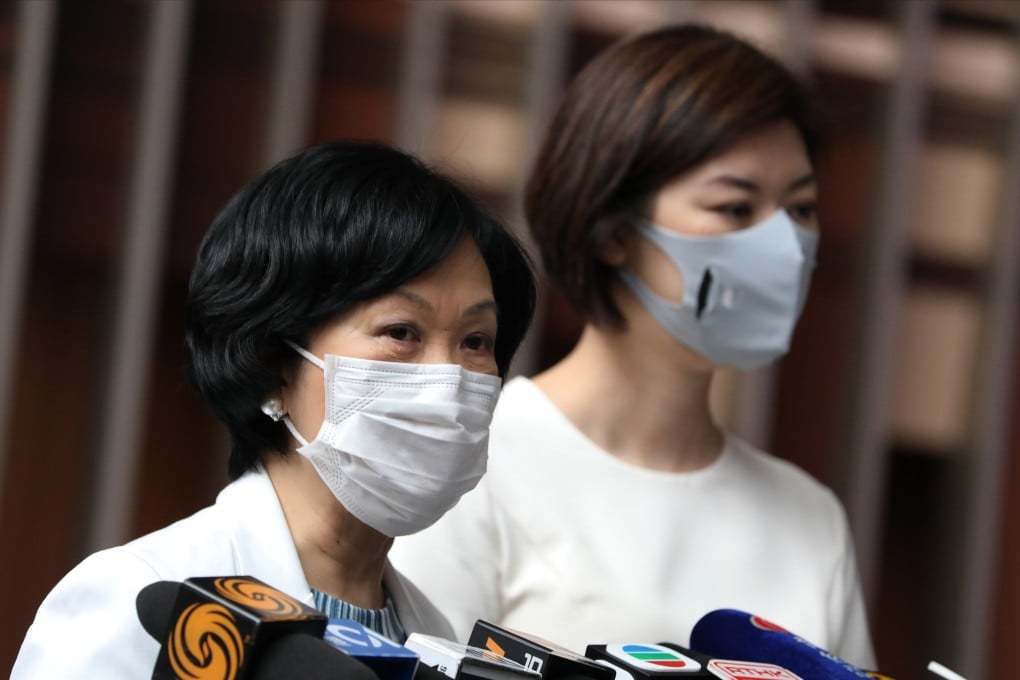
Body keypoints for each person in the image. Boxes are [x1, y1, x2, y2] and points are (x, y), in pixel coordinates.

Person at [390, 23, 876, 668]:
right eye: (735, 208)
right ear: (612, 226)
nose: (784, 247)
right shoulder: (469, 461)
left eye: (802, 209)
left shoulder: (811, 518)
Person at [12, 141, 537, 677]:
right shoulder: (144, 597)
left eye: (476, 341)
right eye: (401, 332)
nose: (446, 379)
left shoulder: (435, 639)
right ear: (275, 364)